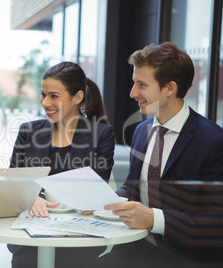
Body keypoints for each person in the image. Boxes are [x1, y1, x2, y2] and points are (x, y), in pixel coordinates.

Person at [92, 42, 223, 267]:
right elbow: (133, 189)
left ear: (170, 88)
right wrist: (105, 201)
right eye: (135, 83)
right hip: (138, 247)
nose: (133, 93)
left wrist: (154, 219)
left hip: (186, 258)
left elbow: (217, 222)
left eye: (142, 84)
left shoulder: (213, 141)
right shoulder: (142, 131)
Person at [8, 61, 115, 267]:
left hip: (76, 244)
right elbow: (13, 184)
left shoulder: (101, 135)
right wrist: (29, 197)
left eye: (54, 96)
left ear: (78, 97)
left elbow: (95, 192)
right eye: (43, 94)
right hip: (29, 243)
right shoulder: (28, 132)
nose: (45, 102)